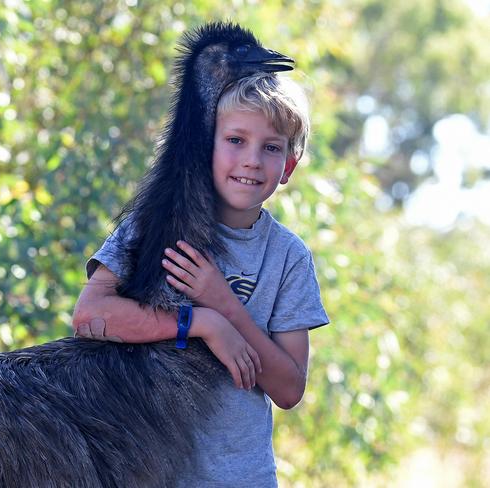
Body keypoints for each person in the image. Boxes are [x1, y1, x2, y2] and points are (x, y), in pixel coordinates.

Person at [73, 72, 329, 487]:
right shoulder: (153, 224)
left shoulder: (288, 257)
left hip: (243, 477)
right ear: (205, 147)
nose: (251, 159)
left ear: (289, 166)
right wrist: (203, 324)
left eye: (271, 148)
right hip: (152, 475)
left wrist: (224, 304)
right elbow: (89, 316)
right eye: (235, 140)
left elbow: (288, 389)